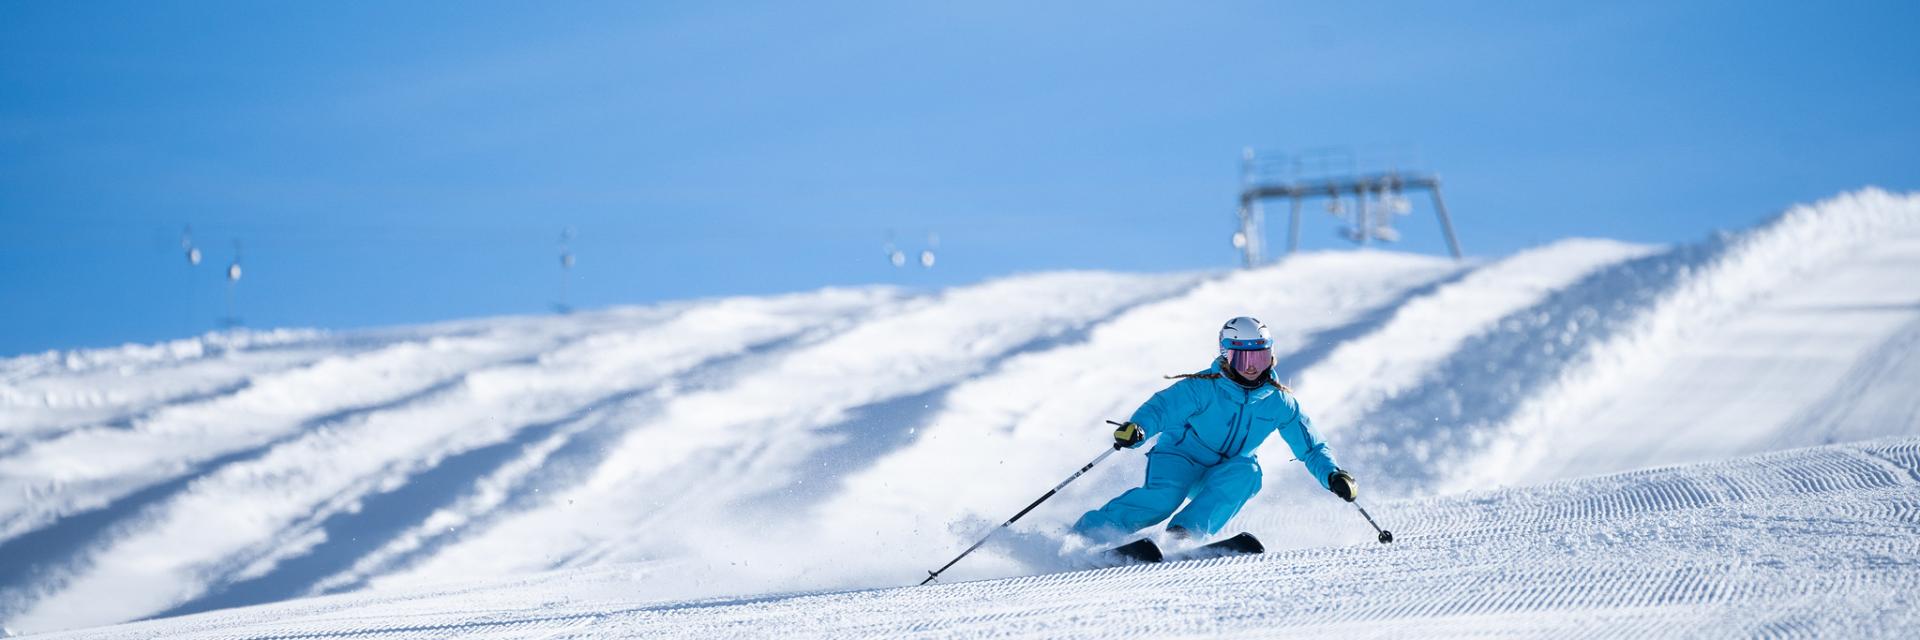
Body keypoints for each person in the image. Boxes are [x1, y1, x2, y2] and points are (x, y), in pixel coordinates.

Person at [1072, 316, 1357, 541]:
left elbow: (1311, 446)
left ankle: (1183, 535)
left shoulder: (1280, 402)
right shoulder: (1203, 387)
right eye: (1243, 358)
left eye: (1259, 357)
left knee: (1249, 472)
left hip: (1226, 469)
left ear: (1270, 356)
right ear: (1227, 355)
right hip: (1180, 458)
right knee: (1163, 500)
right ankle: (1092, 533)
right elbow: (1163, 407)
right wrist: (1137, 429)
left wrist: (1332, 474)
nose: (1251, 367)